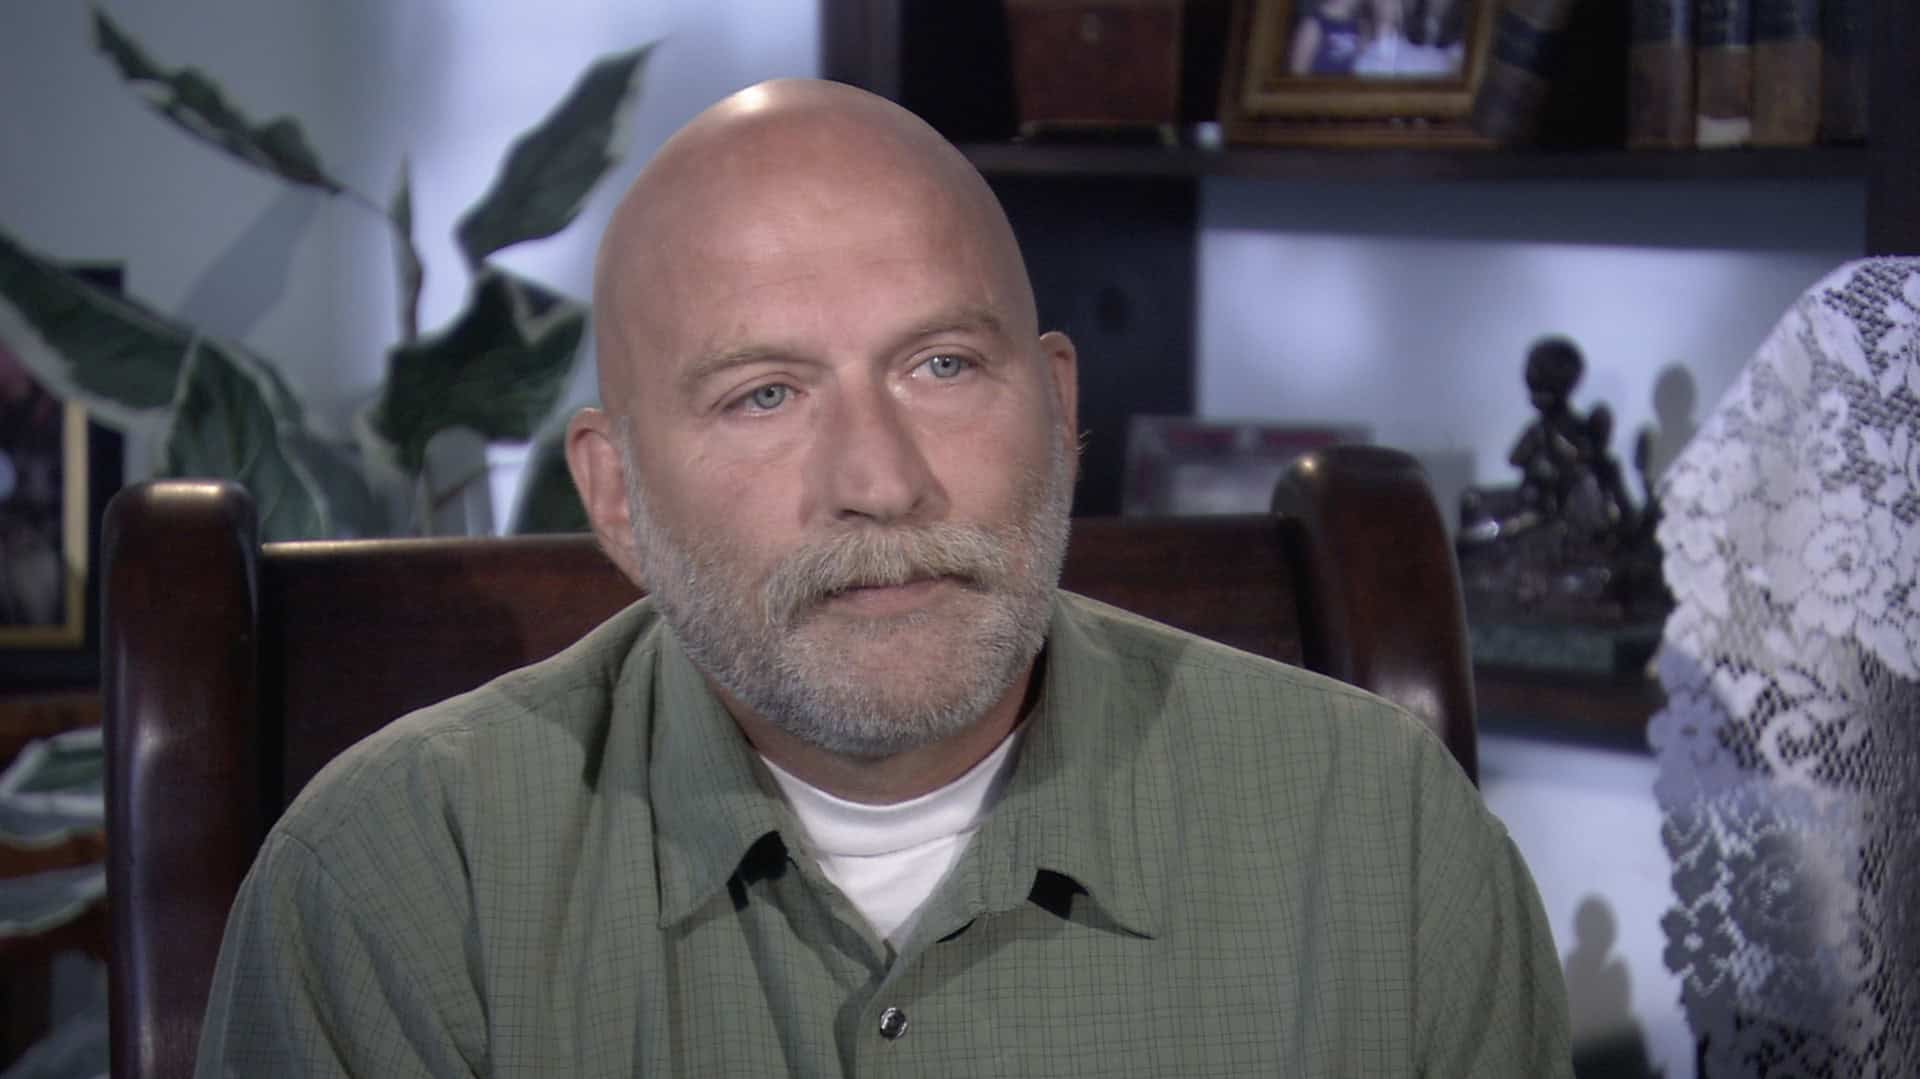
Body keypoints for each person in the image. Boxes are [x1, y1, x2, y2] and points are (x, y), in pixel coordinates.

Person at [196, 79, 1572, 1076]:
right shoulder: (394, 887)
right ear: (615, 492)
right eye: (764, 395)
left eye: (942, 368)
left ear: (1056, 408)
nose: (880, 478)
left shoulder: (1380, 837)